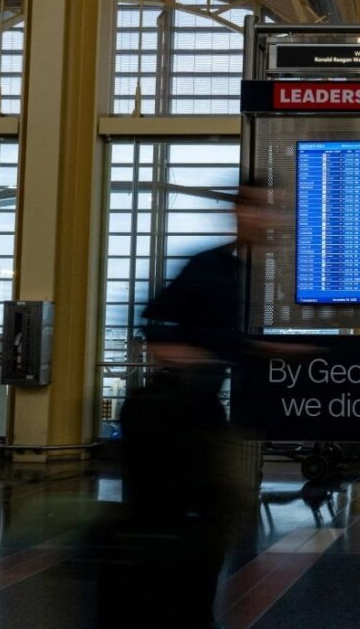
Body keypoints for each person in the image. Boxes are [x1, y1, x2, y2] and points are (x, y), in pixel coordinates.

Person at [102, 185, 271, 628]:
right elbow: (154, 320)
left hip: (205, 412)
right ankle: (175, 608)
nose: (267, 219)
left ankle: (188, 606)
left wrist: (264, 348)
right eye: (256, 209)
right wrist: (185, 353)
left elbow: (229, 340)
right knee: (190, 512)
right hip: (179, 419)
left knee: (218, 511)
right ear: (238, 213)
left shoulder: (245, 273)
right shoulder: (211, 267)